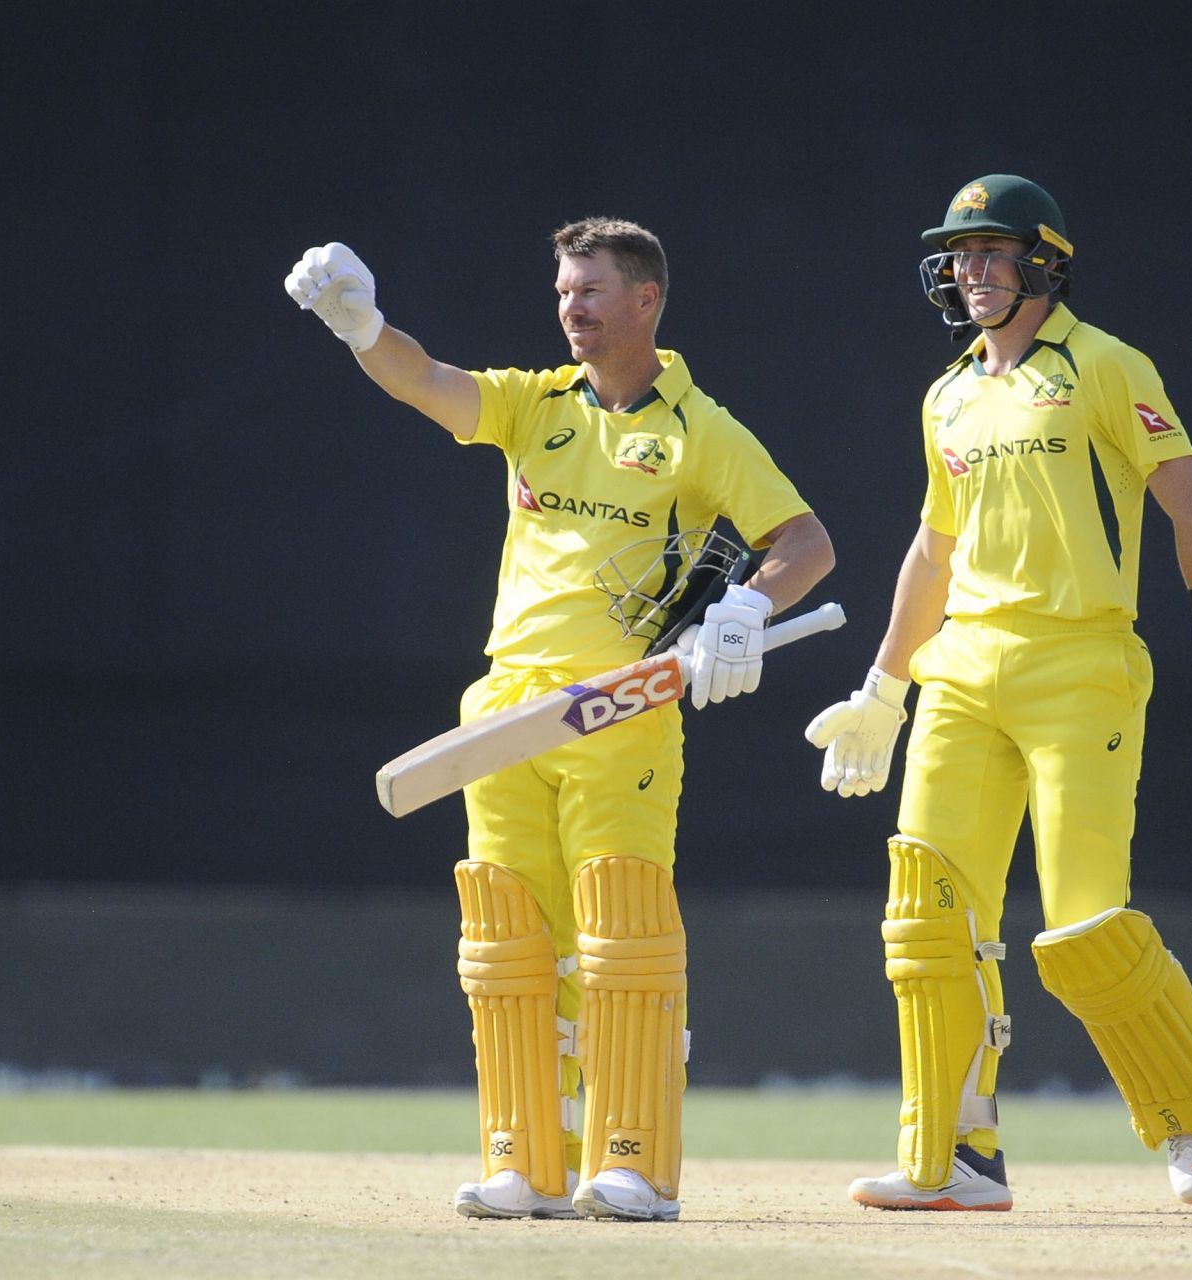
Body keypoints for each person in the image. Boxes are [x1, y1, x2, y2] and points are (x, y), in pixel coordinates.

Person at [284, 221, 833, 1223]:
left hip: (620, 709)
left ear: (645, 302)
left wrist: (748, 608)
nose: (569, 307)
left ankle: (631, 1161)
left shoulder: (699, 427)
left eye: (589, 291)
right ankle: (524, 1161)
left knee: (619, 934)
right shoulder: (537, 403)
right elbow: (426, 381)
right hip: (504, 712)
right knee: (508, 939)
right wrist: (361, 325)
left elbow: (805, 541)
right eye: (563, 291)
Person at [804, 175, 1192, 1211]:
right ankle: (954, 1156)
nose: (970, 270)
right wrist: (883, 688)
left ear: (1044, 260)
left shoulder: (1107, 366)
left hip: (1082, 668)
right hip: (963, 676)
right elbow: (933, 550)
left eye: (992, 250)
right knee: (929, 918)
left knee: (1081, 932)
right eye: (958, 253)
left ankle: (1188, 1110)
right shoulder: (947, 394)